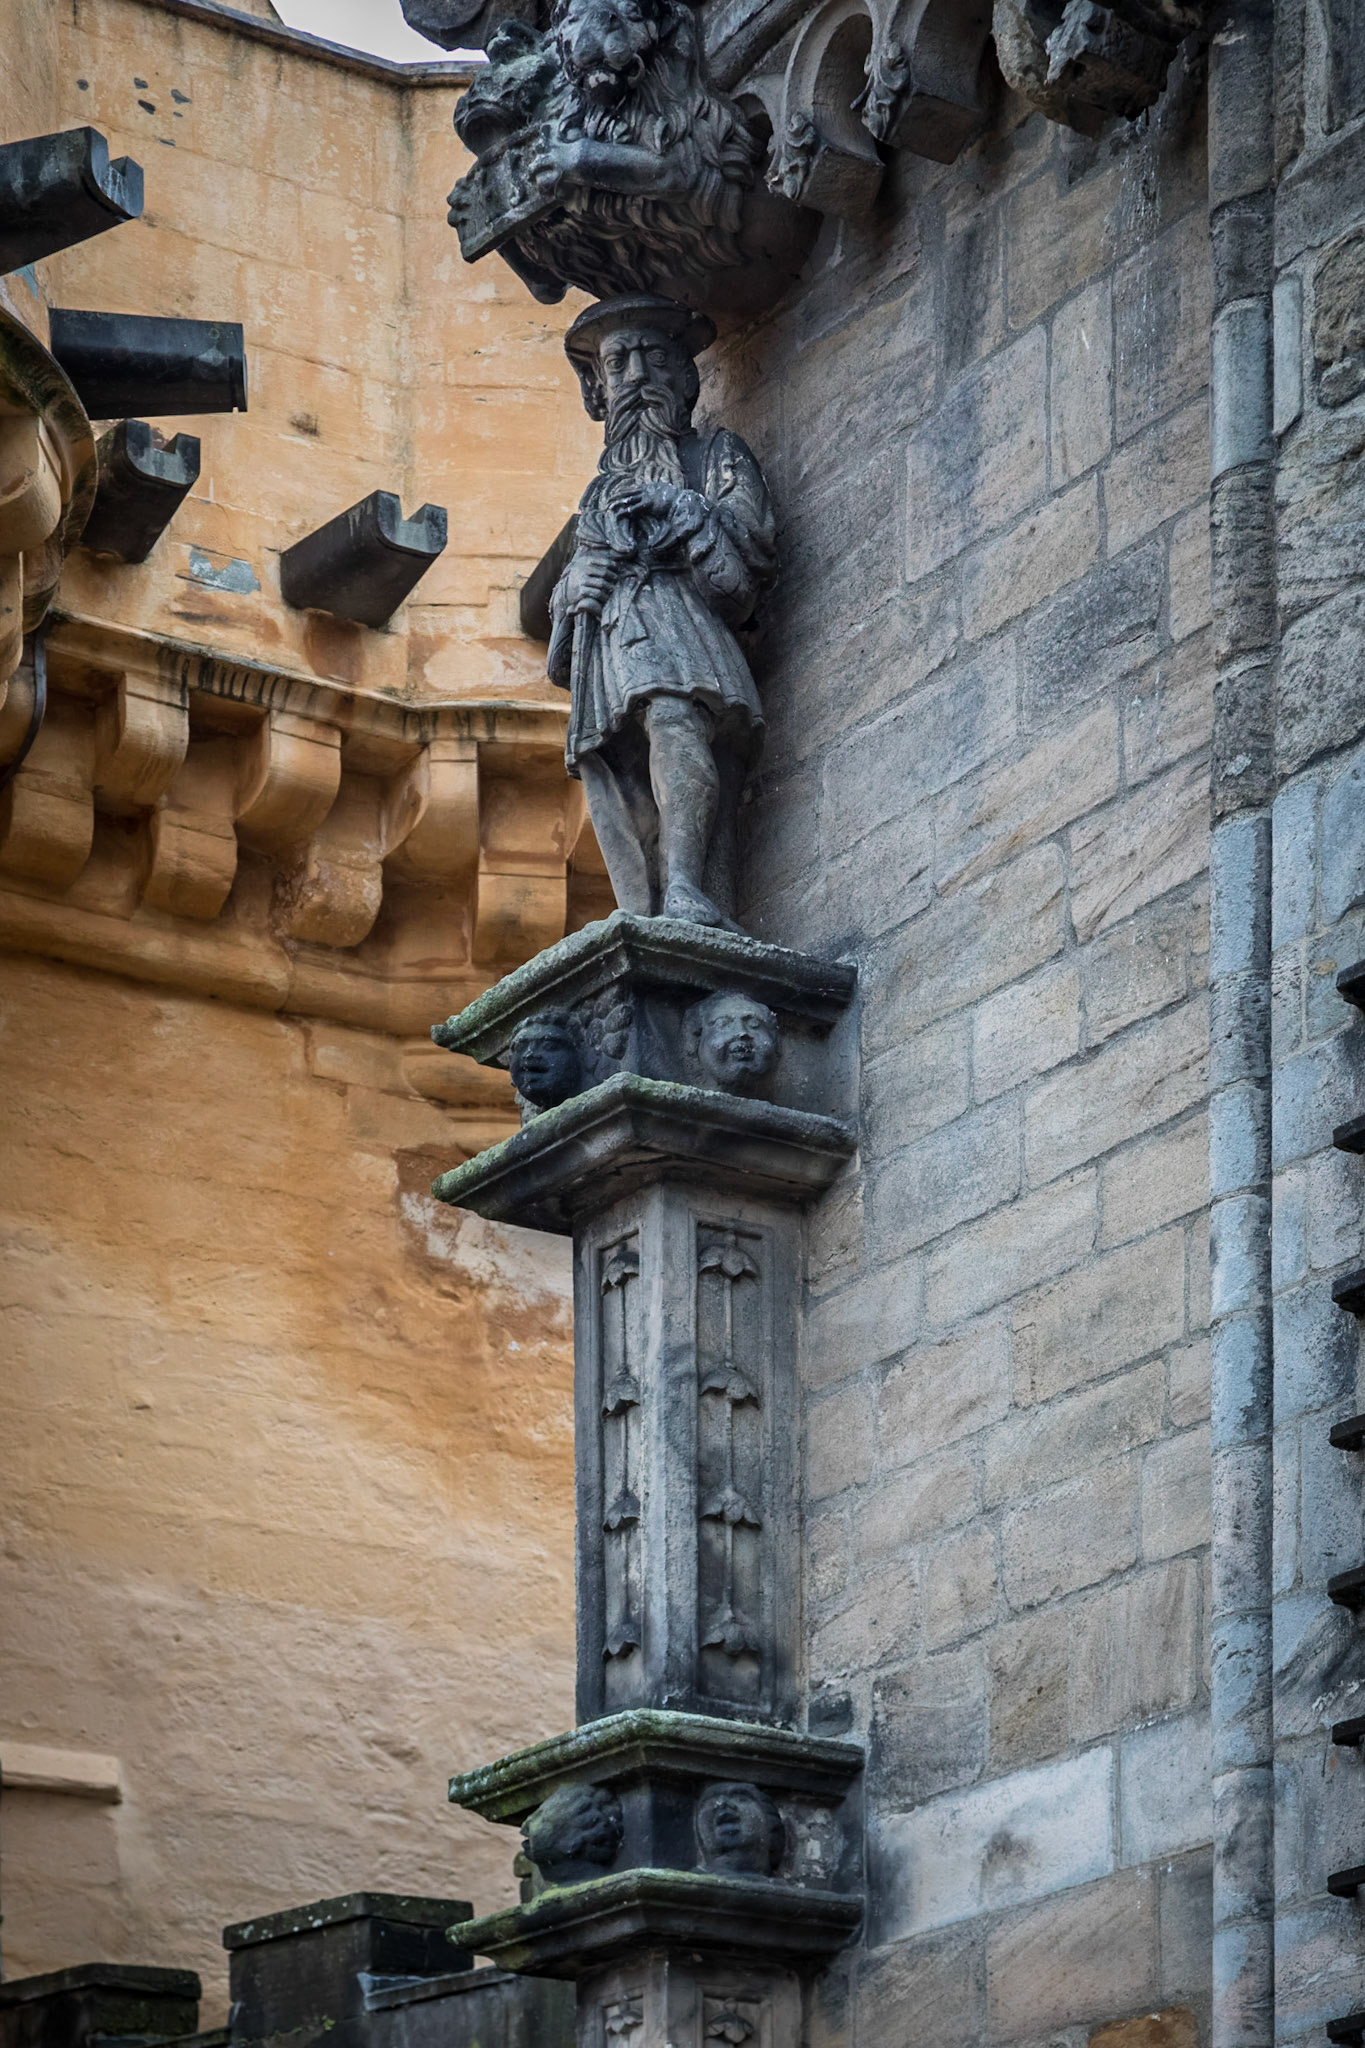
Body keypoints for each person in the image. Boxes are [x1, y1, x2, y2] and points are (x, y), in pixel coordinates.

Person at [548, 295, 777, 931]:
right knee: (619, 766)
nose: (639, 377)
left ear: (685, 377)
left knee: (675, 720)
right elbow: (567, 611)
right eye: (620, 364)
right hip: (613, 642)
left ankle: (685, 888)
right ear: (601, 389)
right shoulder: (596, 491)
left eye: (655, 358)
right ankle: (644, 907)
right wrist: (573, 591)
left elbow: (748, 562)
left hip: (683, 628)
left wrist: (680, 507)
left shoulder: (716, 456)